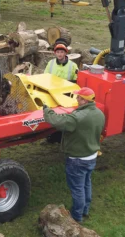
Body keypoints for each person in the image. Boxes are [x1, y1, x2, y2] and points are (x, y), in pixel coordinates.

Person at [43, 87, 105, 222]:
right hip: (91, 156)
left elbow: (57, 122)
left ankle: (76, 217)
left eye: (78, 97)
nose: (76, 99)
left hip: (77, 159)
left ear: (84, 100)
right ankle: (85, 210)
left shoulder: (77, 117)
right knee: (86, 184)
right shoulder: (99, 113)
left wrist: (47, 111)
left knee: (77, 189)